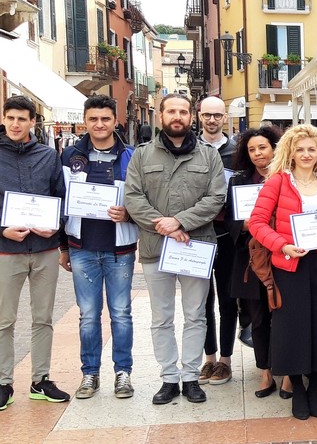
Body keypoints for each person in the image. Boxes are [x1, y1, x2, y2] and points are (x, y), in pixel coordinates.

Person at [124, 94, 227, 405]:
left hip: (195, 247)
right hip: (156, 248)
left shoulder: (209, 156)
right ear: (161, 115)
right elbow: (133, 197)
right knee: (161, 317)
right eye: (172, 111)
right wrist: (163, 224)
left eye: (183, 111)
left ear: (191, 116)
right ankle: (169, 377)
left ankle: (191, 377)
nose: (178, 116)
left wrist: (180, 221)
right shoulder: (142, 156)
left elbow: (215, 197)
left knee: (196, 315)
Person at [248, 125, 317, 420]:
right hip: (291, 265)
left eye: (312, 149)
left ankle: (315, 386)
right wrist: (283, 246)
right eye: (300, 149)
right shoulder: (277, 182)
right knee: (294, 330)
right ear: (290, 152)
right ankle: (299, 392)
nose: (306, 154)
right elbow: (257, 223)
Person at [59, 95, 139, 400]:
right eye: (93, 119)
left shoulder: (130, 156)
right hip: (82, 247)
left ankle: (123, 373)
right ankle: (89, 373)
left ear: (114, 121)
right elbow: (60, 200)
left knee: (121, 312)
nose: (99, 124)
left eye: (105, 118)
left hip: (120, 247)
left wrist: (129, 212)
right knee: (88, 314)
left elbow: (143, 197)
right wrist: (63, 247)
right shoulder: (70, 155)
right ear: (85, 121)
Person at [0, 95, 69, 409]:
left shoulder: (48, 156)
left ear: (32, 122)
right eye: (11, 118)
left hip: (44, 249)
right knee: (3, 321)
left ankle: (40, 380)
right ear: (4, 119)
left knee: (43, 318)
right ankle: (3, 383)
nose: (16, 124)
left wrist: (53, 226)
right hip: (6, 249)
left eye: (22, 119)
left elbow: (61, 198)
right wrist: (2, 231)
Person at [225, 126, 282, 398]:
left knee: (282, 317)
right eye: (252, 149)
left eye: (263, 147)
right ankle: (266, 372)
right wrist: (244, 224)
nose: (258, 153)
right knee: (258, 319)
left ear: (274, 148)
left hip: (281, 256)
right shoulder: (239, 181)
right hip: (250, 259)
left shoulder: (287, 177)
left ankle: (288, 374)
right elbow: (229, 218)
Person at [197, 96, 240, 387]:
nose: (212, 120)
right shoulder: (190, 150)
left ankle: (225, 361)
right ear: (199, 117)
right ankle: (208, 358)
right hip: (198, 236)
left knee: (227, 300)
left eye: (217, 116)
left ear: (225, 118)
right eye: (207, 115)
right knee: (201, 302)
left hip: (227, 237)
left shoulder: (236, 151)